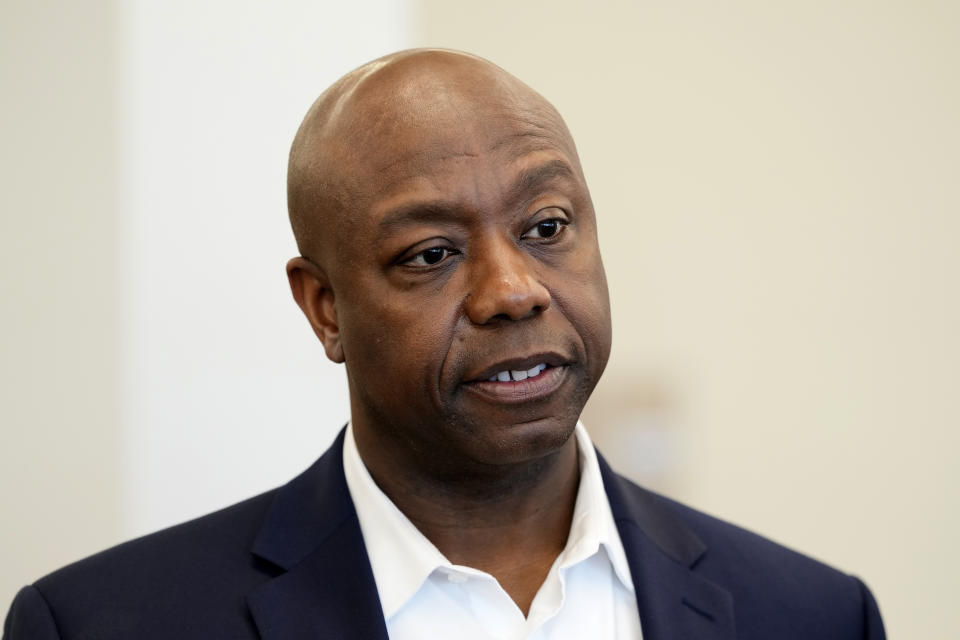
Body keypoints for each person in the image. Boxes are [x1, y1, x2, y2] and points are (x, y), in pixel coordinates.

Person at [3, 49, 885, 640]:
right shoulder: (100, 625)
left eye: (547, 225)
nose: (514, 289)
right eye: (431, 254)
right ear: (325, 309)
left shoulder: (811, 615)